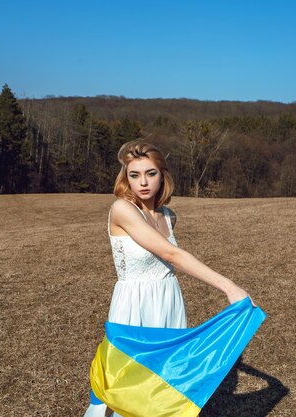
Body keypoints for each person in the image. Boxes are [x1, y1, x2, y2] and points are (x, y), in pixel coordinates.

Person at [84, 140, 254, 417]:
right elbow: (171, 254)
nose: (143, 182)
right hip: (134, 304)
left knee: (163, 383)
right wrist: (229, 286)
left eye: (150, 173)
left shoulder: (168, 215)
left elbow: (168, 260)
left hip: (168, 300)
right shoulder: (122, 210)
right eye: (134, 175)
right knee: (125, 385)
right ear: (125, 178)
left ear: (162, 175)